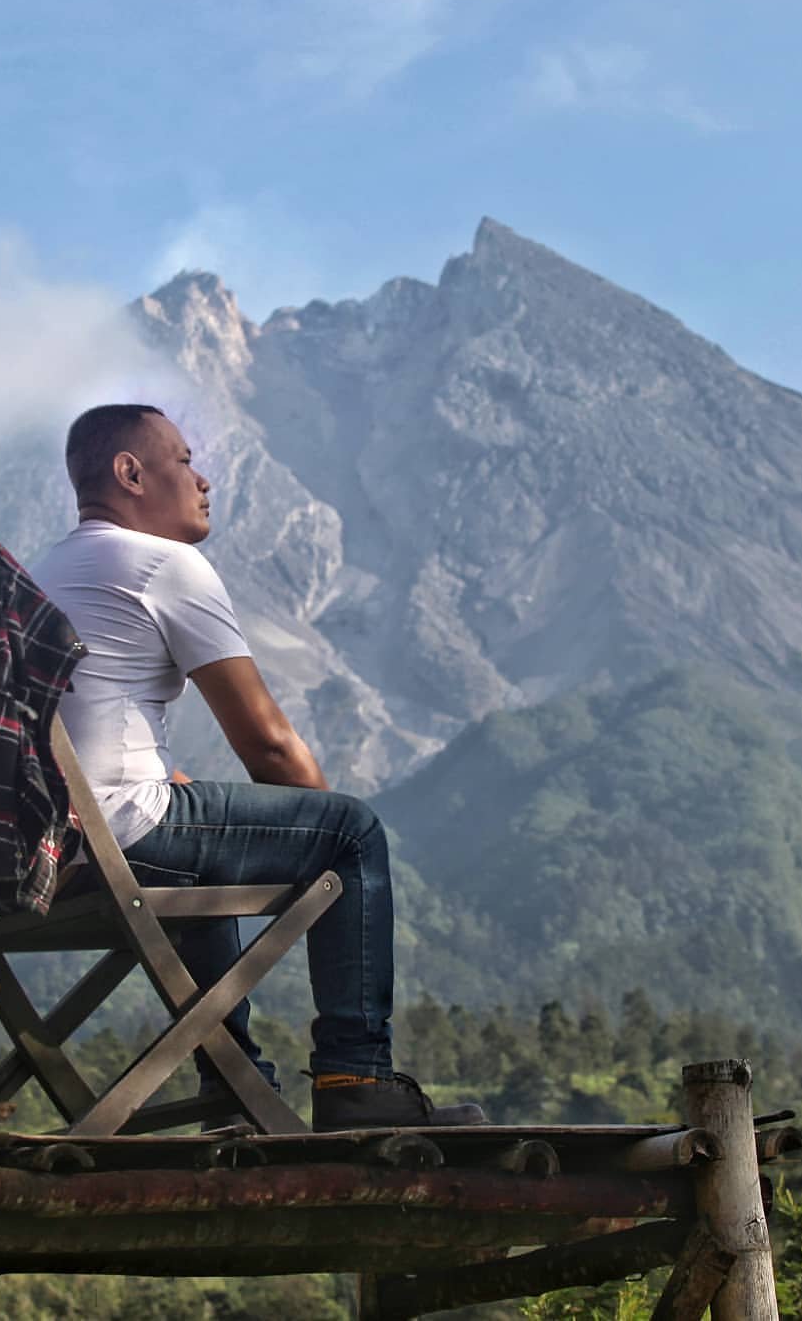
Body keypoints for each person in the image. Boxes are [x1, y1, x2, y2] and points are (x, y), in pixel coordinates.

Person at [32, 403, 486, 1132]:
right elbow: (269, 745)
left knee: (209, 853)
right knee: (352, 832)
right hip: (122, 831)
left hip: (53, 847)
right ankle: (356, 1079)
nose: (204, 478)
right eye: (183, 460)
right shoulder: (162, 563)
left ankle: (234, 1093)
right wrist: (326, 852)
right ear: (131, 473)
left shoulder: (45, 570)